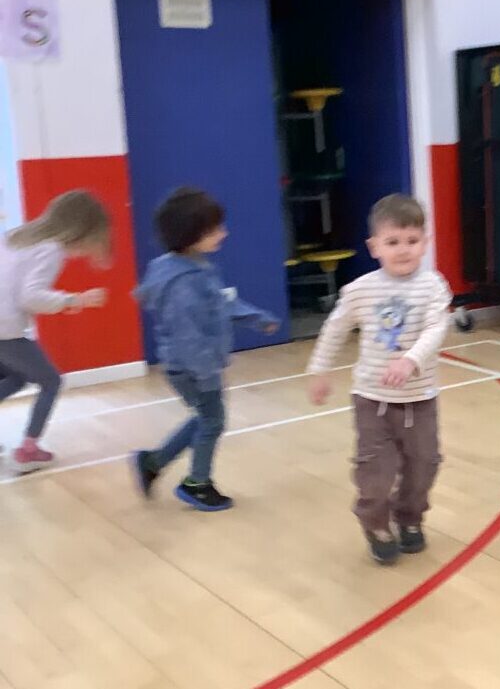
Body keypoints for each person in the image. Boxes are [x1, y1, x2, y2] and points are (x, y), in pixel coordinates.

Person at [307, 193, 452, 566]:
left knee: (424, 464)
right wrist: (319, 369)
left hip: (420, 400)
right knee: (375, 469)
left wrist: (410, 360)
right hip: (373, 400)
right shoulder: (361, 290)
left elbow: (436, 328)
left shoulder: (432, 286)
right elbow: (335, 329)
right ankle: (375, 524)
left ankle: (409, 517)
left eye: (412, 241)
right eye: (392, 242)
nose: (403, 250)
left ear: (425, 242)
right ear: (374, 247)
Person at [132, 187, 277, 511]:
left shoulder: (190, 266)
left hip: (189, 364)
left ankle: (153, 463)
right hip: (193, 367)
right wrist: (208, 372)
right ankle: (197, 484)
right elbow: (189, 336)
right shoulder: (185, 282)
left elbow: (220, 303)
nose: (223, 233)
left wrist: (256, 318)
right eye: (215, 229)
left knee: (206, 417)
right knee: (213, 420)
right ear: (191, 235)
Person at [0, 190, 111, 473]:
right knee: (51, 381)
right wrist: (75, 300)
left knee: (17, 377)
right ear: (82, 230)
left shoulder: (17, 236)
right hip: (5, 328)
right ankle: (27, 452)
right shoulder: (51, 249)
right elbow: (30, 297)